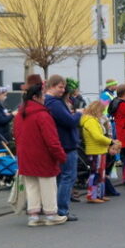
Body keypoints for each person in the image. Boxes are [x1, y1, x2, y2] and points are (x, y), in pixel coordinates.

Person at [14, 81, 68, 226]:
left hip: (25, 156)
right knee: (48, 186)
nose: (45, 98)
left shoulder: (20, 114)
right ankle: (51, 214)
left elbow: (17, 136)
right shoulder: (43, 115)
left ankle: (34, 216)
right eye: (43, 95)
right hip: (43, 156)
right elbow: (52, 140)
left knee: (32, 187)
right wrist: (61, 156)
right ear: (37, 97)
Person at [44, 75, 82, 222]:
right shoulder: (55, 103)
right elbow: (69, 122)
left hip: (61, 144)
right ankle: (62, 210)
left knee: (61, 178)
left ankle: (56, 208)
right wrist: (78, 114)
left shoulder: (50, 102)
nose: (63, 90)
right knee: (67, 177)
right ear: (51, 86)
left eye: (63, 87)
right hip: (66, 144)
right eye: (60, 87)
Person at [80, 101, 116, 203]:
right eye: (101, 111)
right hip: (95, 151)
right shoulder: (90, 121)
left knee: (101, 174)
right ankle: (92, 196)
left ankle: (99, 194)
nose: (102, 113)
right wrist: (110, 141)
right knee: (95, 174)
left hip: (99, 150)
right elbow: (97, 136)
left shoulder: (93, 120)